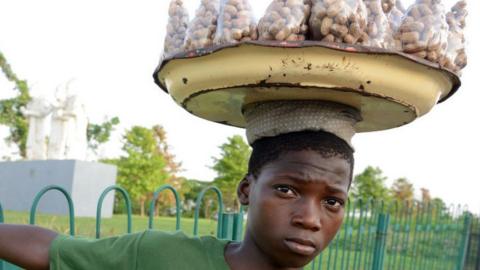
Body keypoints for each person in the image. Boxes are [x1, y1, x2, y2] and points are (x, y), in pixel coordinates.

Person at [0, 101, 359, 270]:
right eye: (287, 190)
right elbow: (56, 251)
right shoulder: (162, 256)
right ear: (247, 190)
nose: (310, 218)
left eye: (332, 202)